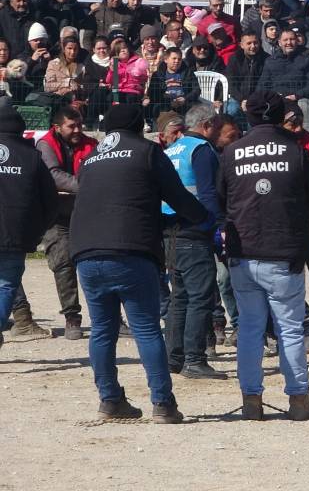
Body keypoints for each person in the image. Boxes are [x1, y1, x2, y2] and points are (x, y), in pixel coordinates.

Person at [69, 104, 208, 423]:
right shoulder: (146, 151)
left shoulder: (89, 160)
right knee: (146, 328)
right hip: (130, 248)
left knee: (102, 329)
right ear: (138, 125)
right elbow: (177, 196)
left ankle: (110, 399)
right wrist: (205, 219)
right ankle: (163, 403)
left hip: (86, 250)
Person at [218, 91, 309, 421]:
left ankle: (252, 401)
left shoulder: (232, 151)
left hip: (243, 251)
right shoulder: (296, 150)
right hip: (283, 250)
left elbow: (221, 200)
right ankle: (299, 400)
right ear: (282, 116)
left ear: (248, 116)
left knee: (249, 329)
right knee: (290, 330)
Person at [161, 104, 226, 380]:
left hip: (169, 231)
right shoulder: (201, 150)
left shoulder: (171, 149)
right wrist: (217, 229)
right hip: (194, 229)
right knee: (201, 296)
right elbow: (208, 193)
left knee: (180, 296)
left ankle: (173, 358)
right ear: (208, 125)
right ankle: (195, 360)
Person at [35, 106, 96, 340]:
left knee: (100, 266)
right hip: (56, 217)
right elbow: (53, 176)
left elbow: (98, 171)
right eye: (72, 126)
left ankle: (113, 318)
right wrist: (87, 186)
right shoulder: (46, 145)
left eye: (80, 124)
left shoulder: (91, 144)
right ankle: (72, 318)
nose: (77, 129)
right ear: (57, 127)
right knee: (63, 265)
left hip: (87, 215)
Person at [0, 106, 57, 352]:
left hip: (17, 235)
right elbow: (51, 201)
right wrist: (36, 230)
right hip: (17, 235)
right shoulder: (32, 156)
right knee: (5, 285)